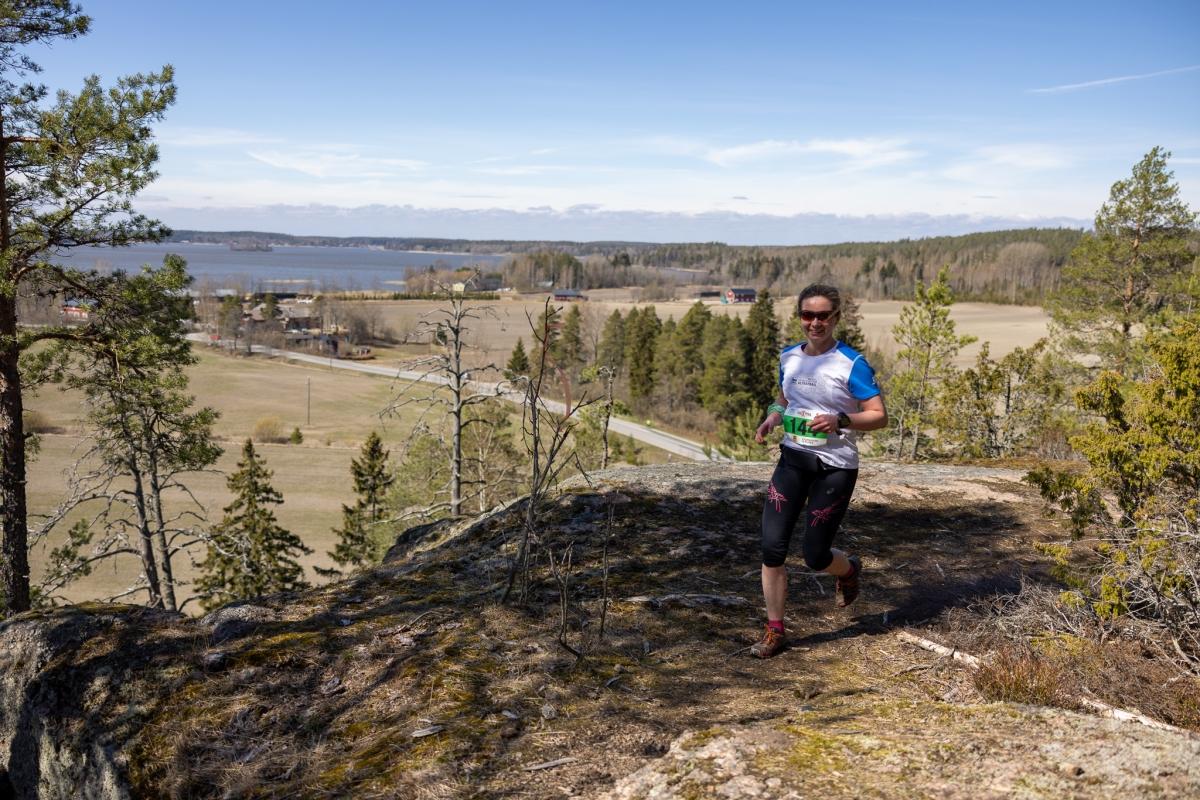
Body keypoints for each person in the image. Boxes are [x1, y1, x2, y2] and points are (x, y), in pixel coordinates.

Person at [749, 284, 888, 658]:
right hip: (793, 459)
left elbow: (879, 415)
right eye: (807, 315)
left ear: (836, 318)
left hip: (834, 467)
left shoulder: (852, 364)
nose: (815, 322)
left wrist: (841, 419)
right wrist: (772, 418)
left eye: (823, 315)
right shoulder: (789, 357)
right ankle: (775, 631)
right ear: (800, 317)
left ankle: (848, 570)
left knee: (815, 555)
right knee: (771, 548)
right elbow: (784, 398)